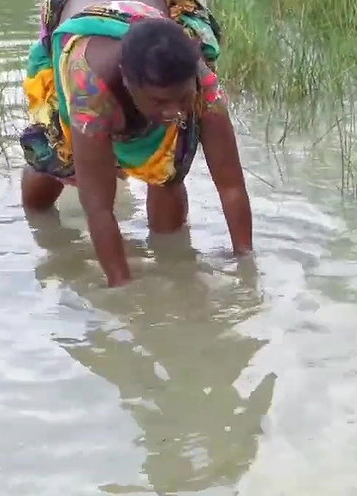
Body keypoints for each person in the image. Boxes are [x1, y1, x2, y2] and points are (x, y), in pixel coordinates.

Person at [19, 0, 253, 287]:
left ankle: (171, 256)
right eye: (159, 101)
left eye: (182, 98)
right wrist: (123, 290)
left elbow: (231, 186)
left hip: (150, 20)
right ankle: (39, 215)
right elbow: (99, 209)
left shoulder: (202, 83)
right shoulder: (89, 90)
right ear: (128, 84)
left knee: (167, 169)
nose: (175, 111)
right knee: (63, 161)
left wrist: (247, 267)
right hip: (79, 21)